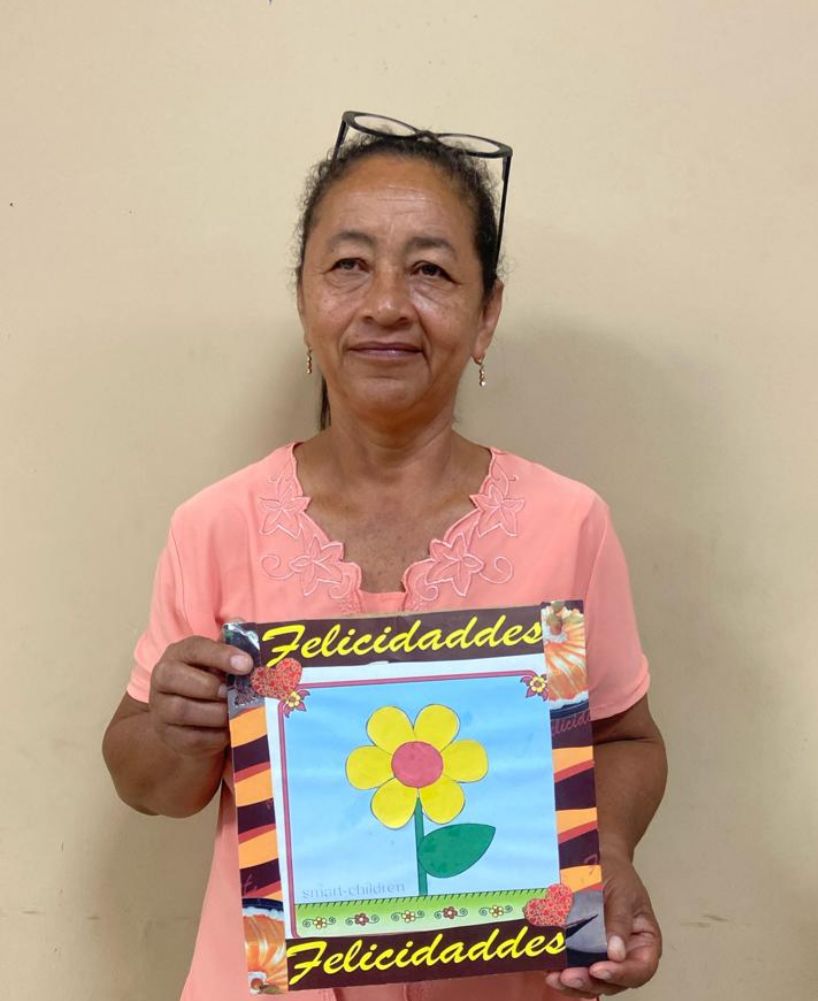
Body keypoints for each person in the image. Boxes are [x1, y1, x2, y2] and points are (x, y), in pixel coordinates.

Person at [103, 111, 667, 1001]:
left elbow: (626, 738)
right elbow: (153, 785)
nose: (387, 305)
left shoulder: (568, 523)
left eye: (431, 270)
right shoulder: (215, 525)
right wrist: (173, 731)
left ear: (487, 314)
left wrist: (612, 851)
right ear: (304, 298)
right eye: (349, 265)